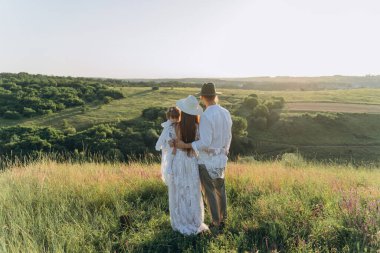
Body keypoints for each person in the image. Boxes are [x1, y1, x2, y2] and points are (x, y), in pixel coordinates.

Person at [176, 83, 232, 229]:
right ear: (215, 96)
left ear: (202, 97)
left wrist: (186, 145)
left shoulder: (206, 115)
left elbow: (205, 143)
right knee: (220, 189)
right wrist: (224, 151)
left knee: (209, 192)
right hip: (221, 158)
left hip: (207, 160)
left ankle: (215, 222)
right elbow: (229, 136)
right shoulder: (225, 112)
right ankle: (223, 219)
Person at [167, 95, 209, 235]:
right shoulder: (198, 127)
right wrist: (188, 147)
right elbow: (199, 145)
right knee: (192, 189)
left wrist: (173, 143)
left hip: (179, 160)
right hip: (191, 161)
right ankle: (194, 219)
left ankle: (181, 219)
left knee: (180, 190)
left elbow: (172, 144)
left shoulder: (176, 126)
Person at [155, 107, 181, 185]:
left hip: (178, 146)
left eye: (176, 118)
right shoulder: (168, 126)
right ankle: (169, 176)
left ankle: (175, 178)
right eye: (172, 118)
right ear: (169, 117)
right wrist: (168, 140)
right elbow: (163, 135)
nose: (174, 119)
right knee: (169, 160)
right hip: (170, 147)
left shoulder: (179, 125)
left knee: (176, 162)